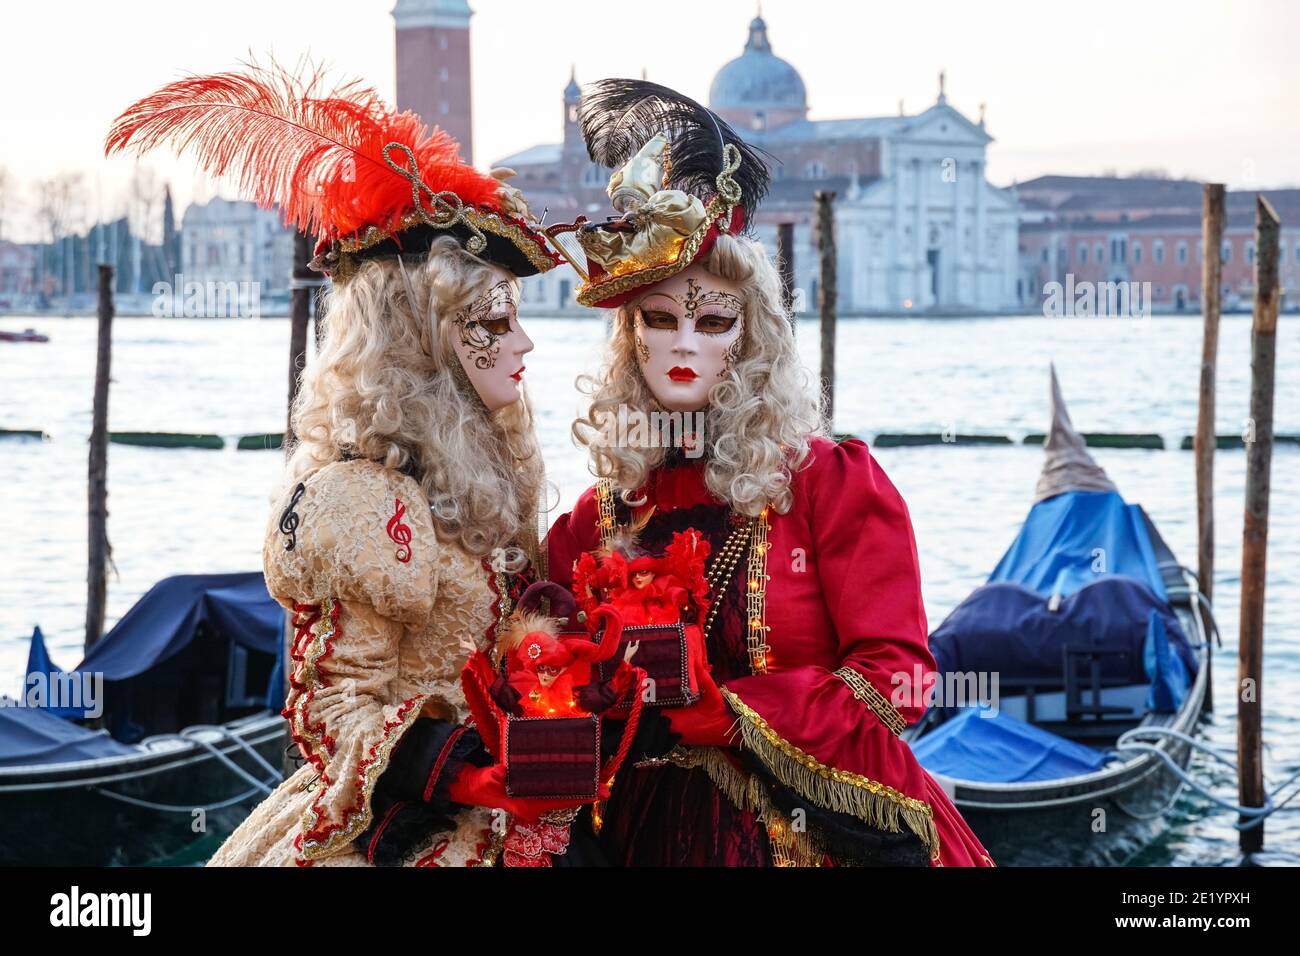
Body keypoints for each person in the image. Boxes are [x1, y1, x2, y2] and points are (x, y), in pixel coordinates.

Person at [106, 61, 599, 866]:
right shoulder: (362, 502)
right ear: (421, 342)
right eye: (491, 322)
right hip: (408, 827)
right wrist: (471, 776)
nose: (523, 343)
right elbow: (329, 705)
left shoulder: (480, 474)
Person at [546, 79, 995, 867]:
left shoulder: (827, 483)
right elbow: (557, 692)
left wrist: (736, 715)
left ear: (749, 336)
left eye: (713, 320)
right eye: (659, 318)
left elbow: (902, 682)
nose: (685, 344)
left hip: (813, 834)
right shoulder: (594, 521)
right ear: (630, 338)